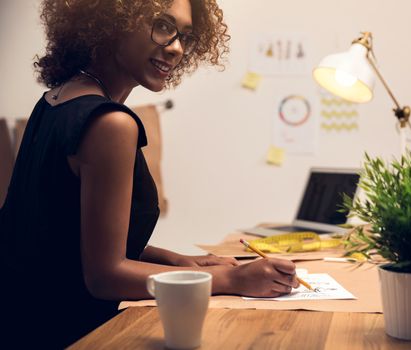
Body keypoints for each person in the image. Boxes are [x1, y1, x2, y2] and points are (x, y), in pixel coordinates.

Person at [0, 0, 299, 347]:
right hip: (71, 335)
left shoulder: (55, 100)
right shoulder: (111, 123)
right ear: (111, 20)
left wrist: (175, 260)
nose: (176, 47)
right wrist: (231, 279)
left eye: (185, 36)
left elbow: (65, 236)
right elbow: (105, 276)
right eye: (162, 25)